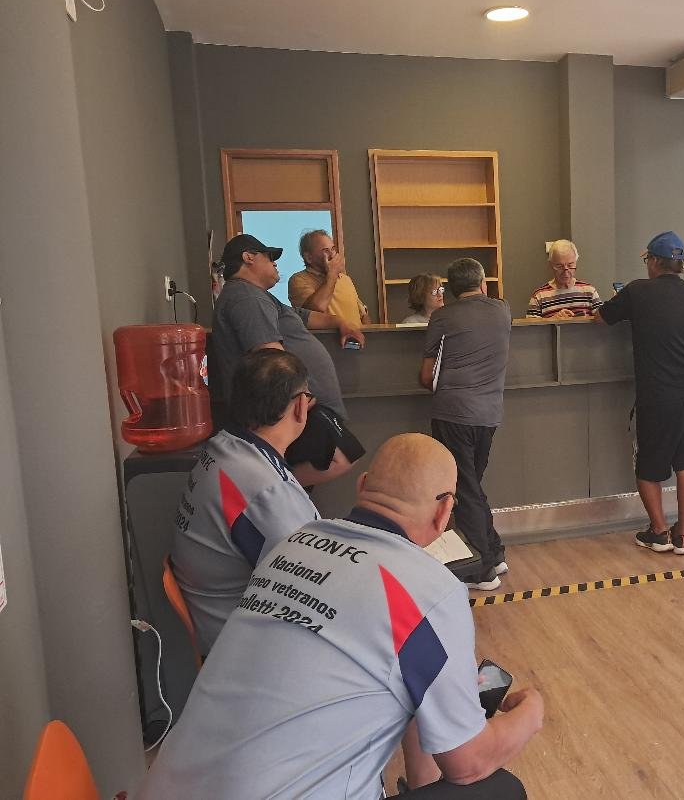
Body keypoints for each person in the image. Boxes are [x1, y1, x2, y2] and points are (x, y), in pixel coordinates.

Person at [138, 434, 543, 800]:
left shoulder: (290, 545)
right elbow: (469, 763)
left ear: (362, 486)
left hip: (164, 787)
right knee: (502, 791)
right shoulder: (430, 592)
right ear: (444, 511)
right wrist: (531, 713)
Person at [170, 348, 320, 655]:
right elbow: (311, 582)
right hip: (245, 646)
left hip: (221, 620)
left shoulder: (223, 447)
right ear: (300, 407)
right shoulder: (264, 488)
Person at [594, 231, 684, 555]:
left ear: (653, 261)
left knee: (649, 464)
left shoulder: (637, 291)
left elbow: (601, 317)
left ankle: (659, 531)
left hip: (660, 394)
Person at [212, 233, 366, 487]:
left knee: (336, 458)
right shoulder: (246, 297)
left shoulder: (260, 297)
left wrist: (341, 322)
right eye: (269, 256)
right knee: (342, 455)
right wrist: (300, 396)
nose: (275, 263)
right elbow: (270, 359)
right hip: (287, 407)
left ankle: (273, 491)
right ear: (248, 257)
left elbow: (304, 316)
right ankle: (262, 489)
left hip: (295, 406)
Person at [420, 258, 512, 590]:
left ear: (451, 290)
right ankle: (494, 552)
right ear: (483, 284)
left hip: (453, 413)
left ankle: (481, 570)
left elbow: (426, 375)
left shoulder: (442, 317)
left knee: (465, 488)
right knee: (471, 485)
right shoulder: (503, 310)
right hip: (489, 415)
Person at [288, 228, 373, 325]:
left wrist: (367, 331)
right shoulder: (299, 280)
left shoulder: (345, 279)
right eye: (326, 251)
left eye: (333, 249)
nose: (332, 255)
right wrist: (332, 274)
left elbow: (363, 314)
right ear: (309, 258)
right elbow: (315, 310)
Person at [526, 239, 602, 318]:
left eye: (570, 265)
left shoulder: (589, 291)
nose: (566, 271)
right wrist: (553, 320)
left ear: (576, 263)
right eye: (559, 266)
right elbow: (531, 325)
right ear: (551, 265)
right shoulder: (539, 296)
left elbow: (603, 321)